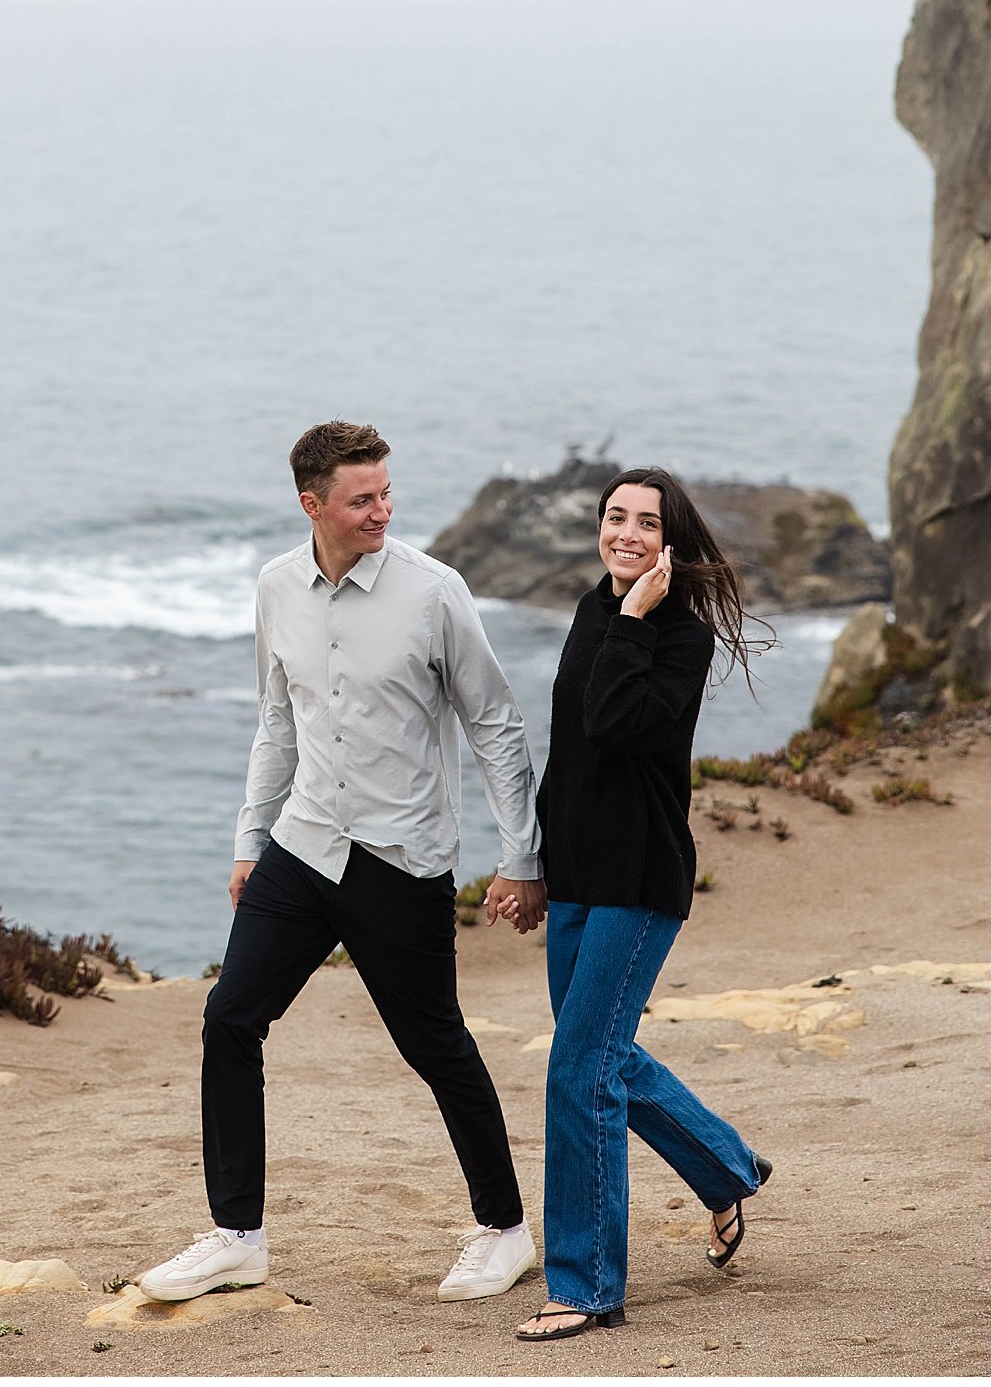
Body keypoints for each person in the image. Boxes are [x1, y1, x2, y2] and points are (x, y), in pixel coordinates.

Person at [137, 419, 545, 1307]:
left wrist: (521, 856)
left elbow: (496, 725)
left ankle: (505, 1229)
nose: (382, 511)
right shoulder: (276, 586)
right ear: (311, 504)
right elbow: (276, 720)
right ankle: (237, 1237)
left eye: (387, 493)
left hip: (401, 858)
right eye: (362, 499)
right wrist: (250, 841)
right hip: (305, 844)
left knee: (434, 1045)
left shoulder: (435, 592)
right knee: (230, 1018)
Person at [509, 467, 774, 1344]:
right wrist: (533, 865)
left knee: (579, 1069)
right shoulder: (594, 609)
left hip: (640, 877)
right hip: (577, 876)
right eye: (614, 516)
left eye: (646, 522)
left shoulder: (680, 638)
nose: (625, 532)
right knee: (601, 1056)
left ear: (671, 543)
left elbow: (620, 722)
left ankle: (586, 1285)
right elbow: (570, 751)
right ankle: (726, 1168)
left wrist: (632, 620)